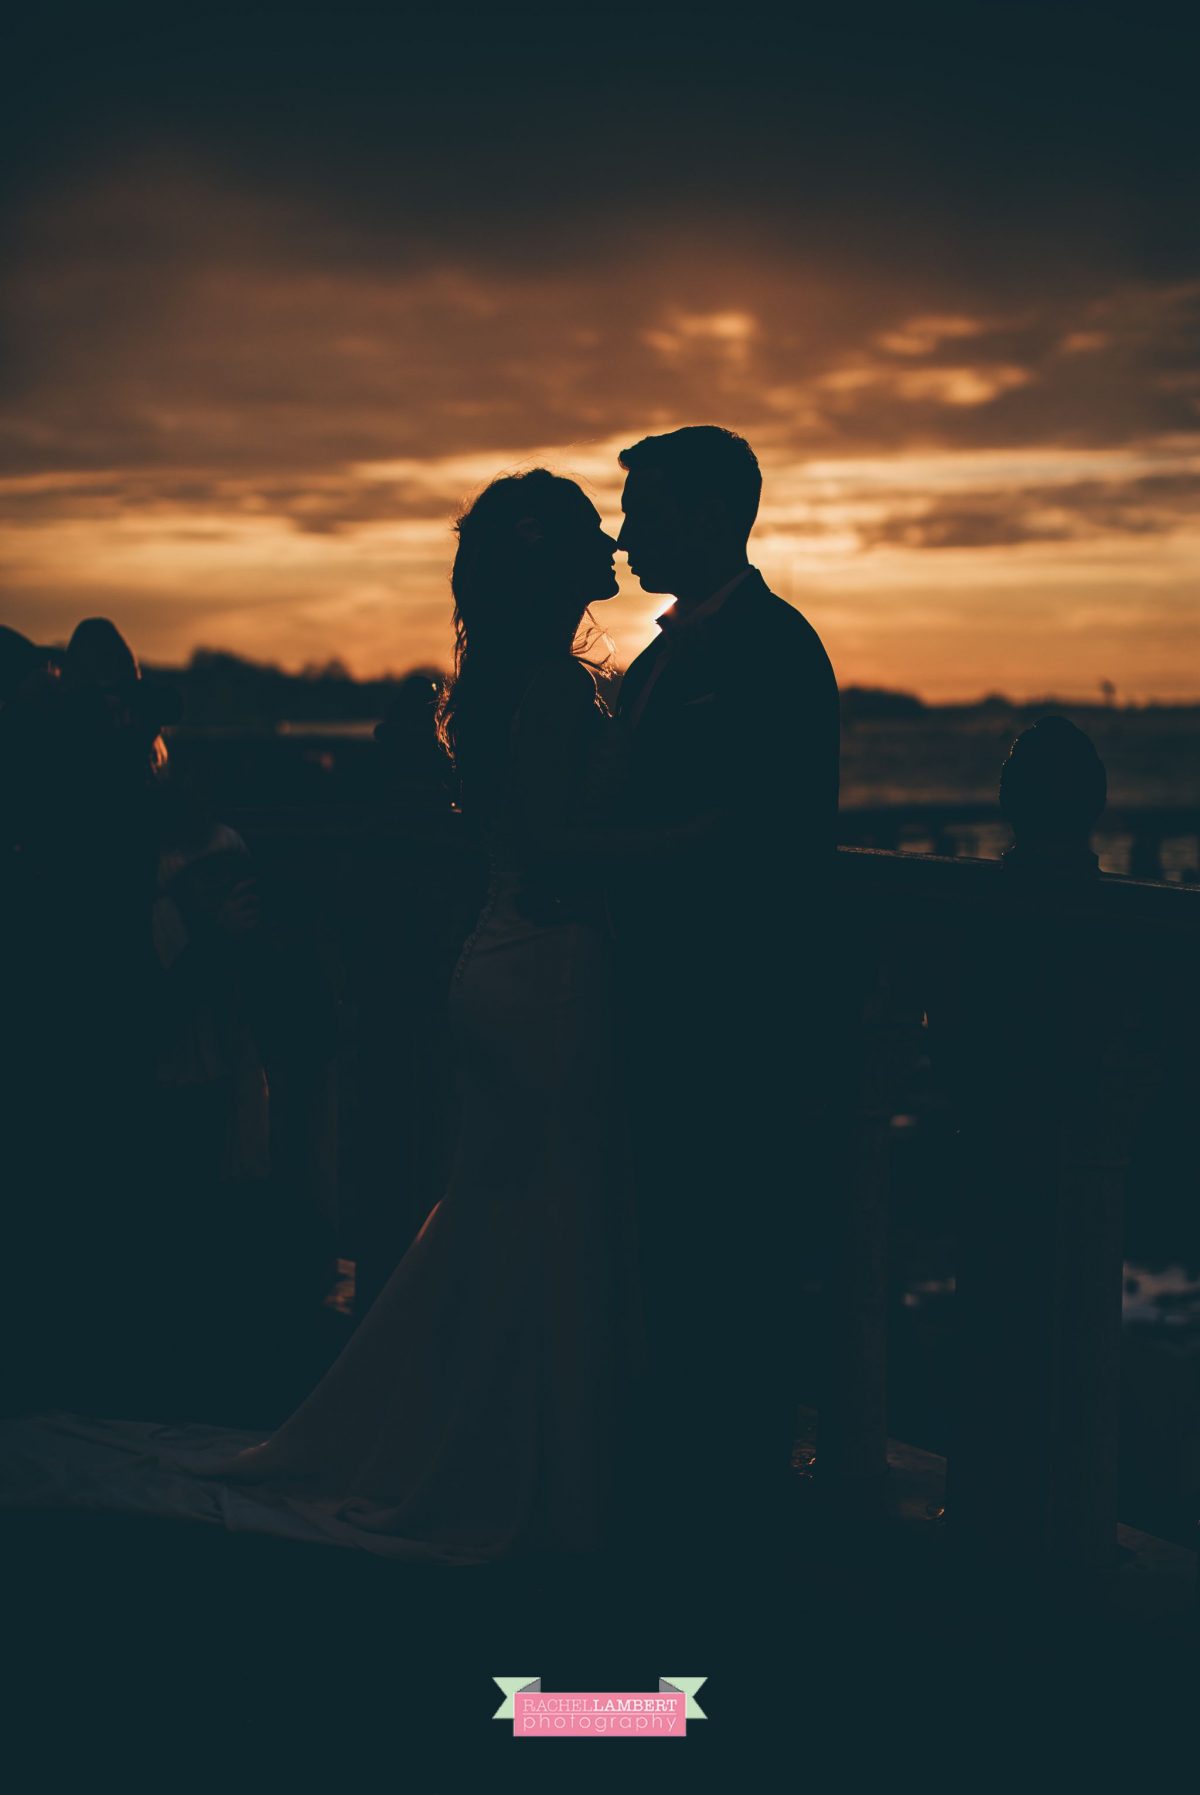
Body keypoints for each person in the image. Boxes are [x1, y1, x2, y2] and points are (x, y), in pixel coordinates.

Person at [0, 472, 661, 1561]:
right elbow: (555, 852)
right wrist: (689, 840)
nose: (612, 547)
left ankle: (487, 1441)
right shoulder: (546, 684)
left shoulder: (502, 676)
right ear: (550, 566)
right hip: (548, 973)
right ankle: (523, 1460)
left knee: (506, 1219)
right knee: (543, 1217)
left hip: (510, 963)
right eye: (592, 533)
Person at [609, 425, 841, 1546]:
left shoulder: (779, 652)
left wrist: (600, 860)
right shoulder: (655, 663)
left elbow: (762, 838)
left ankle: (735, 1501)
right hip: (655, 1020)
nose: (623, 532)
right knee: (672, 1260)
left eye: (643, 510)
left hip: (734, 1024)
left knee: (733, 1264)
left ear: (710, 515)